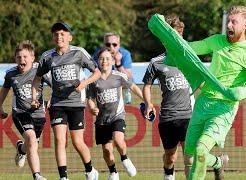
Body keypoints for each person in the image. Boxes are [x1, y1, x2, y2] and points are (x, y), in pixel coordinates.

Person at [183, 6, 246, 180]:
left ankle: (214, 163)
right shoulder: (217, 40)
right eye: (228, 21)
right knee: (190, 155)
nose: (229, 25)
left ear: (245, 25)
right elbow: (192, 48)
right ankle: (217, 162)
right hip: (203, 102)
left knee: (201, 150)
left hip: (224, 108)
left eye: (234, 22)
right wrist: (172, 39)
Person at [31, 22, 101, 180]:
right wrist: (34, 97)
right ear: (52, 37)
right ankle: (63, 177)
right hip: (57, 104)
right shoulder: (47, 56)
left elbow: (96, 73)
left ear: (70, 37)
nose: (59, 37)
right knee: (59, 140)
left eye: (62, 34)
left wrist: (84, 83)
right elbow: (37, 79)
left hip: (76, 103)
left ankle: (90, 170)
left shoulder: (79, 52)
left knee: (77, 141)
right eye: (56, 34)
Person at [142, 15, 193, 180]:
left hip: (188, 116)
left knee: (189, 157)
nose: (178, 40)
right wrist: (148, 103)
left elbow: (200, 82)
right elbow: (147, 85)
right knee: (170, 156)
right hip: (168, 117)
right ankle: (168, 173)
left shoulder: (188, 58)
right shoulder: (156, 62)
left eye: (180, 36)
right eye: (174, 36)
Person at [87, 47, 142, 180]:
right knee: (106, 150)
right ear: (97, 61)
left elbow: (133, 86)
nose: (104, 61)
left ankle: (124, 158)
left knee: (118, 139)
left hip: (117, 116)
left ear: (112, 61)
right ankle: (113, 172)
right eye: (101, 58)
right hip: (101, 120)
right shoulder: (93, 79)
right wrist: (92, 108)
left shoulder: (119, 76)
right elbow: (90, 99)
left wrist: (146, 100)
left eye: (107, 58)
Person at [0, 40, 51, 180]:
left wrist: (52, 100)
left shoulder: (40, 70)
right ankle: (37, 176)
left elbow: (55, 86)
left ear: (33, 58)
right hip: (20, 112)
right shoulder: (11, 74)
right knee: (31, 138)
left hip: (39, 114)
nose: (22, 59)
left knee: (31, 146)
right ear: (15, 58)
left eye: (25, 56)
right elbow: (4, 91)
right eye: (18, 57)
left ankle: (20, 149)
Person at [92, 32, 133, 104]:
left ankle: (127, 97)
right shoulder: (98, 54)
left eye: (114, 44)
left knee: (129, 81)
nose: (111, 47)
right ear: (104, 45)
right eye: (108, 44)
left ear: (119, 45)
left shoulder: (125, 54)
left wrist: (118, 63)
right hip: (104, 81)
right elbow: (94, 72)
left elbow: (129, 77)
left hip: (120, 82)